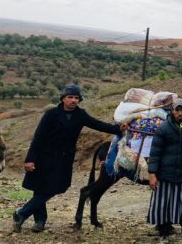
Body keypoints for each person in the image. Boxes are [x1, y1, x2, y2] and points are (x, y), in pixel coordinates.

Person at [13, 83, 126, 233]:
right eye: (70, 97)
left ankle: (23, 214)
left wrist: (118, 129)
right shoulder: (51, 114)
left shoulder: (81, 115)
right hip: (44, 157)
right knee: (42, 188)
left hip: (63, 160)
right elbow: (38, 137)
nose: (73, 100)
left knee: (52, 188)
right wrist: (30, 159)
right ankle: (37, 220)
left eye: (76, 98)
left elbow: (98, 124)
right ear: (63, 99)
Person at [147, 98, 182, 242]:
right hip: (165, 174)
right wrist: (152, 174)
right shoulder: (163, 128)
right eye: (177, 110)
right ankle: (163, 234)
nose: (179, 113)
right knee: (163, 205)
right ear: (172, 111)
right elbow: (155, 153)